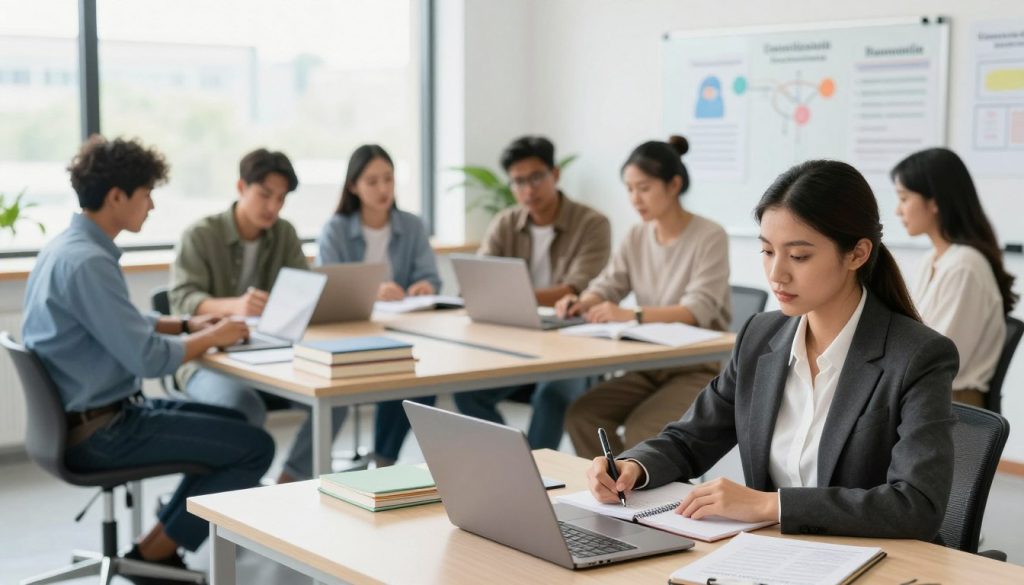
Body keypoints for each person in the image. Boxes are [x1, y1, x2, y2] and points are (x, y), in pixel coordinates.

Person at [586, 160, 958, 540]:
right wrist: (634, 465)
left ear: (857, 254)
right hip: (770, 555)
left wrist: (771, 505)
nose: (777, 274)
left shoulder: (918, 356)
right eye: (767, 251)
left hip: (871, 559)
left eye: (798, 256)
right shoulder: (761, 336)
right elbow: (689, 439)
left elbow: (916, 505)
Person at [22, 136, 274, 574]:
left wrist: (184, 324)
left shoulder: (67, 250)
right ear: (117, 197)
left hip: (90, 418)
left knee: (237, 423)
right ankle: (156, 555)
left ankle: (154, 549)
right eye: (146, 194)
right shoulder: (89, 263)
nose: (152, 206)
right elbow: (149, 360)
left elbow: (117, 320)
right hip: (103, 431)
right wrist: (214, 337)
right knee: (254, 448)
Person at [169, 148, 337, 483]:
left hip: (271, 357)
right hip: (205, 359)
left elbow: (302, 291)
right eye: (265, 195)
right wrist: (235, 306)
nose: (273, 207)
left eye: (281, 198)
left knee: (337, 395)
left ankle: (286, 485)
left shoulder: (284, 233)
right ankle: (238, 494)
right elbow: (183, 299)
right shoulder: (201, 234)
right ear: (240, 187)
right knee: (244, 407)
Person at [561, 136, 731, 458]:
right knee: (582, 416)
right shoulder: (637, 234)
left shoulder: (709, 235)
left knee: (643, 431)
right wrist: (585, 301)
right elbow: (610, 283)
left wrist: (631, 314)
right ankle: (608, 494)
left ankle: (640, 499)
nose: (635, 198)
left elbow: (697, 310)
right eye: (629, 188)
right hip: (647, 365)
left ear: (673, 185)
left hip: (695, 369)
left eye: (644, 187)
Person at [453, 135, 612, 450]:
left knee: (552, 395)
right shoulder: (505, 223)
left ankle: (538, 477)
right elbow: (478, 283)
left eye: (536, 177)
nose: (528, 189)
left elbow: (576, 289)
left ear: (555, 174)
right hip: (517, 339)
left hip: (574, 342)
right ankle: (519, 461)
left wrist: (509, 294)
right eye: (518, 181)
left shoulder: (592, 223)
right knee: (467, 393)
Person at [317, 144, 441, 465]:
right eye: (372, 181)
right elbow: (328, 290)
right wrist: (372, 292)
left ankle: (383, 460)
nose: (383, 188)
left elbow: (430, 277)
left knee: (422, 377)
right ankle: (379, 460)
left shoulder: (412, 225)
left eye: (388, 178)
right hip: (352, 335)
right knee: (400, 371)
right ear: (353, 186)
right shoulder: (336, 229)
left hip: (403, 328)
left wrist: (424, 286)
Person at [892, 147, 1018, 407]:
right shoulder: (933, 259)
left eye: (904, 198)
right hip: (930, 400)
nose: (898, 210)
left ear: (934, 201)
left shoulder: (964, 266)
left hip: (954, 409)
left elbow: (934, 358)